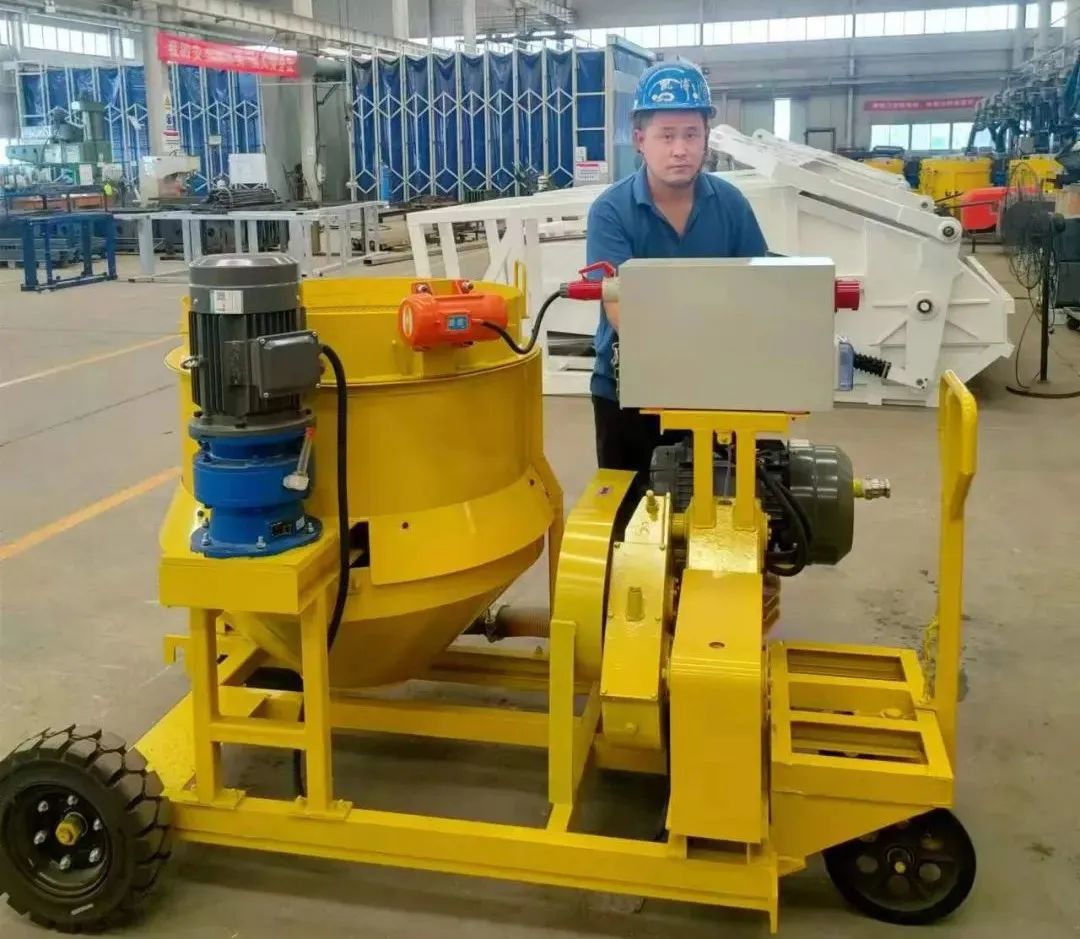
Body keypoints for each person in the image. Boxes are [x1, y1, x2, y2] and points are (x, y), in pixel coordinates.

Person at [585, 61, 768, 475]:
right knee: (629, 507)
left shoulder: (731, 205)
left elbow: (757, 288)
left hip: (718, 388)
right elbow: (619, 306)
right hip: (628, 394)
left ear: (706, 138)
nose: (680, 149)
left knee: (726, 501)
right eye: (666, 136)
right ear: (640, 140)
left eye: (691, 134)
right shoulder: (611, 212)